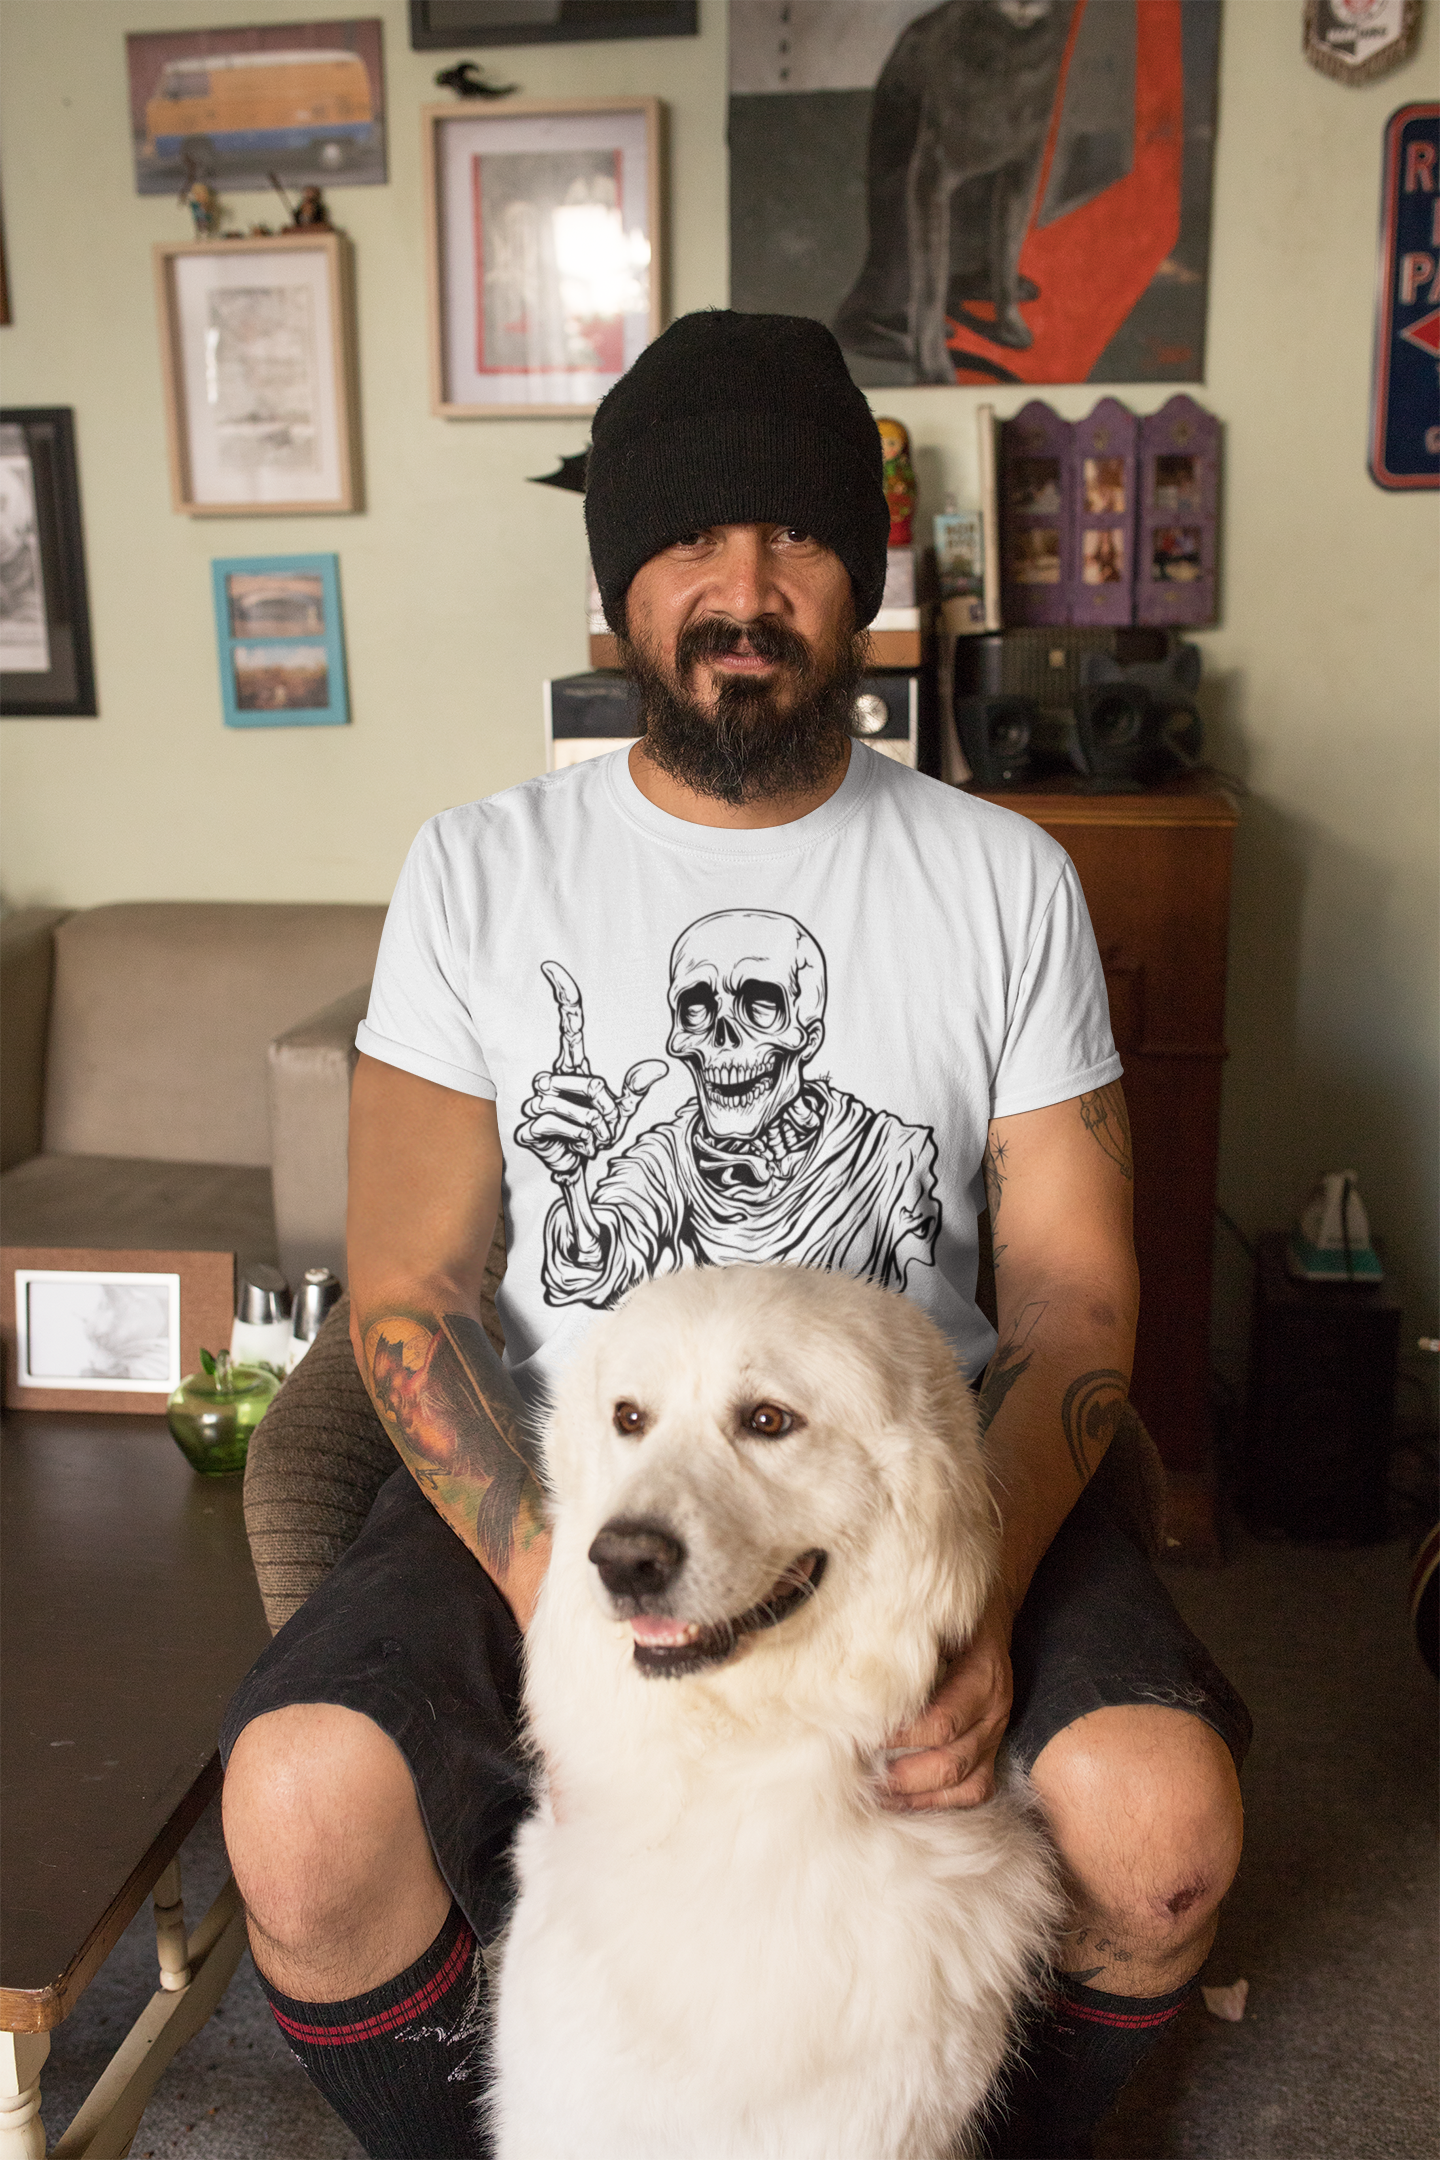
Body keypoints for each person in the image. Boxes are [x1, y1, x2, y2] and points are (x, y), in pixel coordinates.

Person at [220, 310, 1248, 2160]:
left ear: (864, 572)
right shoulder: (476, 873)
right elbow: (404, 1293)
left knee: (1161, 1831)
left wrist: (978, 1590)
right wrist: (564, 1600)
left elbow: (1079, 1301)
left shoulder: (1004, 877)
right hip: (563, 1481)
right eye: (691, 541)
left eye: (793, 536)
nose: (746, 587)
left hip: (904, 1476)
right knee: (298, 1815)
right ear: (621, 589)